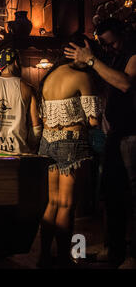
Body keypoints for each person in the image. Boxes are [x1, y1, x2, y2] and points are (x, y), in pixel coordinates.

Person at [65, 18, 136, 268]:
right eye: (105, 45)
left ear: (123, 35)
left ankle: (134, 257)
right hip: (116, 134)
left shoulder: (133, 54)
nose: (110, 48)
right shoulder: (113, 56)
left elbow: (125, 83)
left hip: (133, 134)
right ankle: (115, 251)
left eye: (112, 42)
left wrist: (93, 61)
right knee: (112, 195)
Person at [38, 34, 101, 268]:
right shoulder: (82, 77)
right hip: (71, 142)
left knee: (52, 203)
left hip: (47, 142)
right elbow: (94, 120)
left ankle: (44, 256)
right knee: (66, 205)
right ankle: (64, 258)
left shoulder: (49, 77)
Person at [0, 48, 42, 154]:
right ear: (16, 62)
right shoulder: (27, 88)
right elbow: (36, 125)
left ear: (0, 66)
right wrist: (31, 146)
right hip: (17, 152)